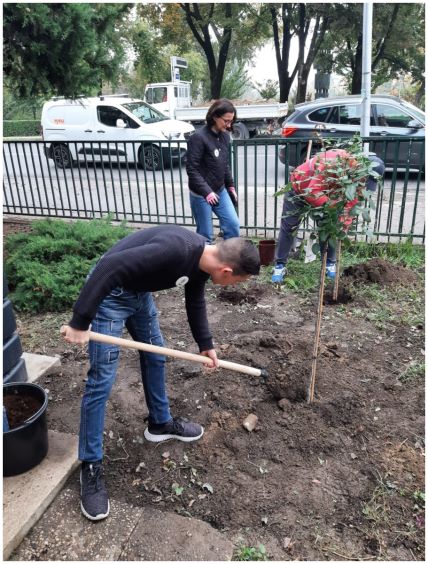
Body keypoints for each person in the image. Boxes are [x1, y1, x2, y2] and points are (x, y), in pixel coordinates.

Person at [61, 225, 260, 521]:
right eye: (237, 282)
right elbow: (109, 266)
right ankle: (90, 465)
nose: (233, 287)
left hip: (138, 294)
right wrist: (81, 320)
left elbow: (194, 299)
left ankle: (160, 423)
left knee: (156, 355)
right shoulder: (176, 250)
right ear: (227, 271)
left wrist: (205, 344)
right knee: (101, 381)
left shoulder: (202, 260)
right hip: (109, 295)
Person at [271, 151, 385, 283]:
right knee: (289, 226)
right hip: (300, 188)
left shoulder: (355, 179)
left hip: (326, 195)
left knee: (330, 228)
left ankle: (329, 264)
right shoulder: (332, 162)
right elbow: (312, 191)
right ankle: (279, 265)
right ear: (359, 168)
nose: (363, 186)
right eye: (364, 181)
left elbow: (352, 201)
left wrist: (344, 224)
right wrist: (333, 208)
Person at [186, 98, 240, 243]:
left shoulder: (225, 136)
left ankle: (229, 259)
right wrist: (206, 192)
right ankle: (205, 265)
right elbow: (192, 169)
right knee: (205, 236)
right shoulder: (198, 138)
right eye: (226, 121)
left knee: (233, 225)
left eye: (231, 121)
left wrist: (230, 185)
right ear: (215, 117)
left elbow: (224, 164)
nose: (229, 125)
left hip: (219, 190)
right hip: (201, 194)